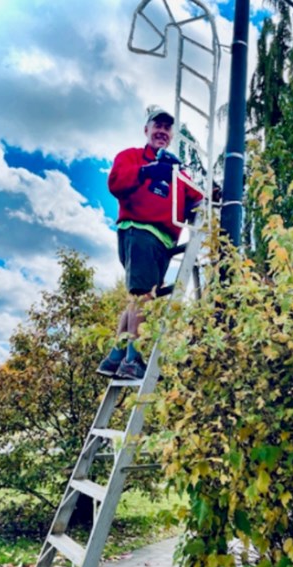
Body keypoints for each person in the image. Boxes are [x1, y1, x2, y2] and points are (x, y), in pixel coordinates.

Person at [98, 108, 203, 380]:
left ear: (171, 136)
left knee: (140, 297)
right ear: (147, 129)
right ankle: (133, 359)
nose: (162, 131)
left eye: (167, 128)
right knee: (143, 296)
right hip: (140, 231)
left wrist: (213, 193)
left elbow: (195, 195)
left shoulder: (177, 171)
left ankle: (115, 356)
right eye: (157, 125)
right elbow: (116, 183)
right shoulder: (131, 157)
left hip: (164, 240)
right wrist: (147, 172)